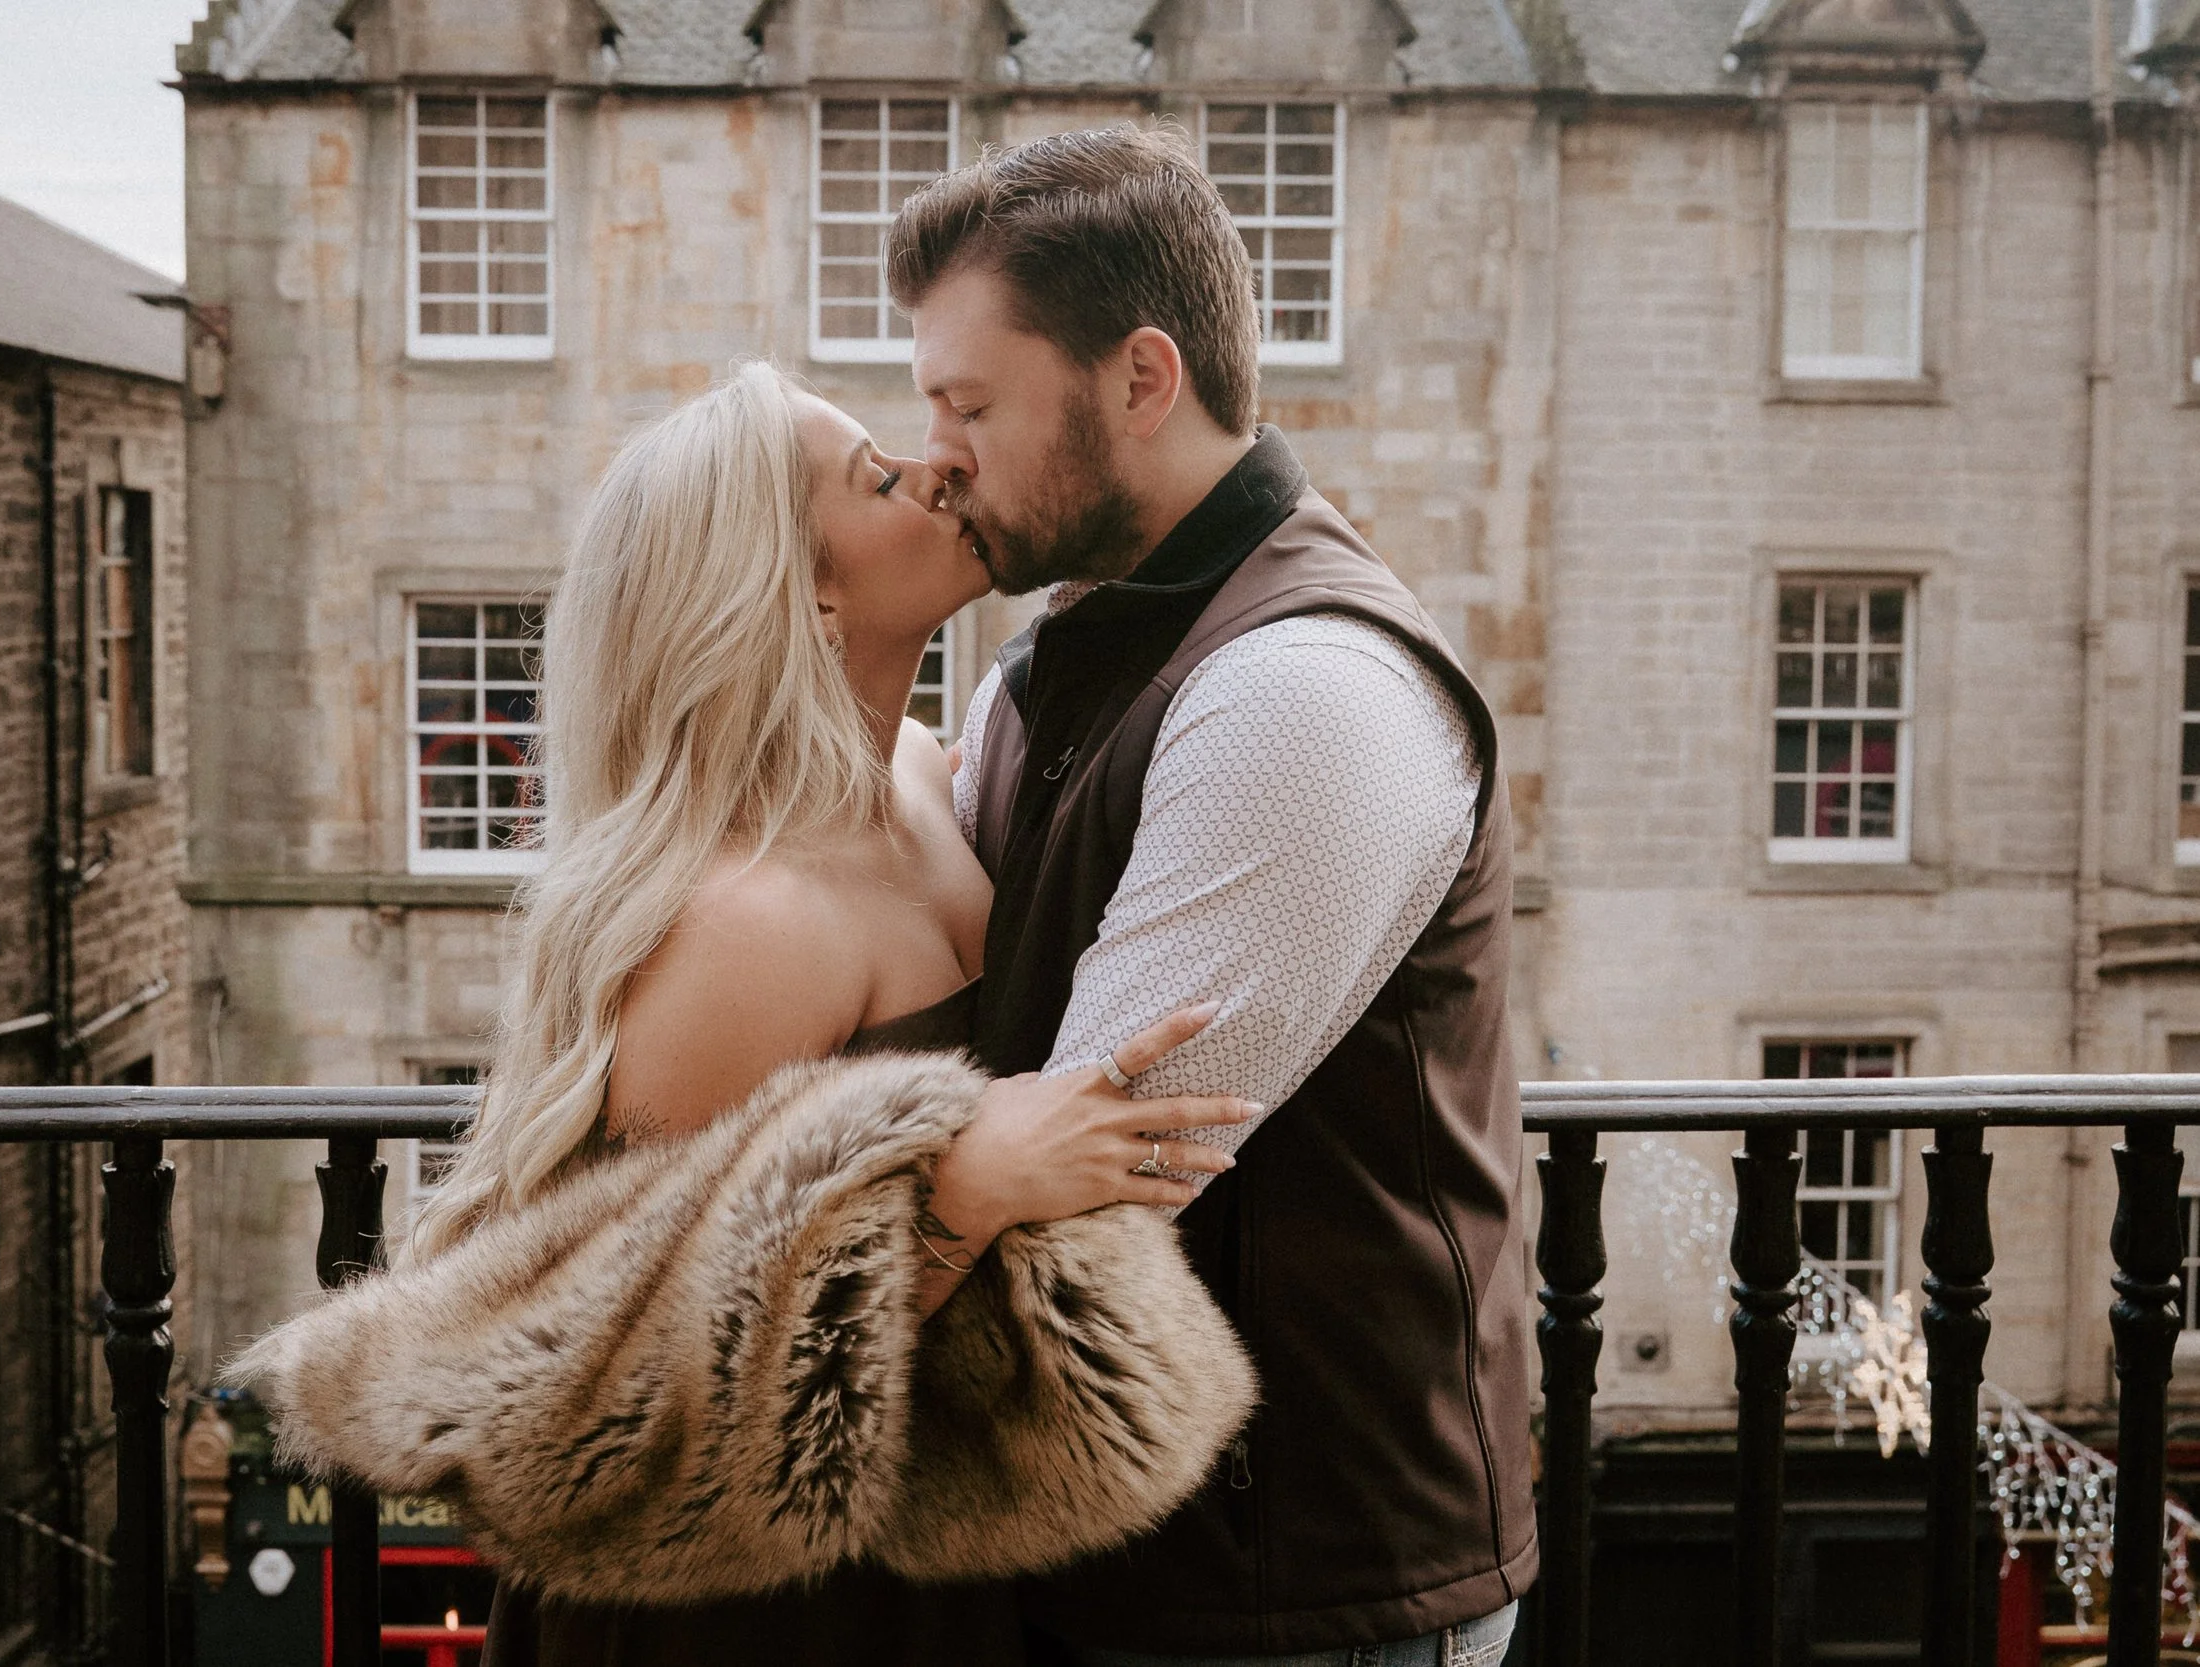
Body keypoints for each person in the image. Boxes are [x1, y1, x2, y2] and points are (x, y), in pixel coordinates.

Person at [233, 360, 1264, 1667]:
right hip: (729, 1608)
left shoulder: (917, 774)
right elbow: (670, 1380)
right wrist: (970, 1185)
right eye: (880, 477)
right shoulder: (746, 923)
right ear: (811, 592)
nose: (939, 467)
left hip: (905, 1547)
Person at [885, 125, 1535, 1666]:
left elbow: (1093, 1168)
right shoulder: (1064, 656)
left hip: (1302, 1588)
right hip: (1142, 1559)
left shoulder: (1307, 689)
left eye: (971, 403)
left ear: (1143, 379)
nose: (937, 455)